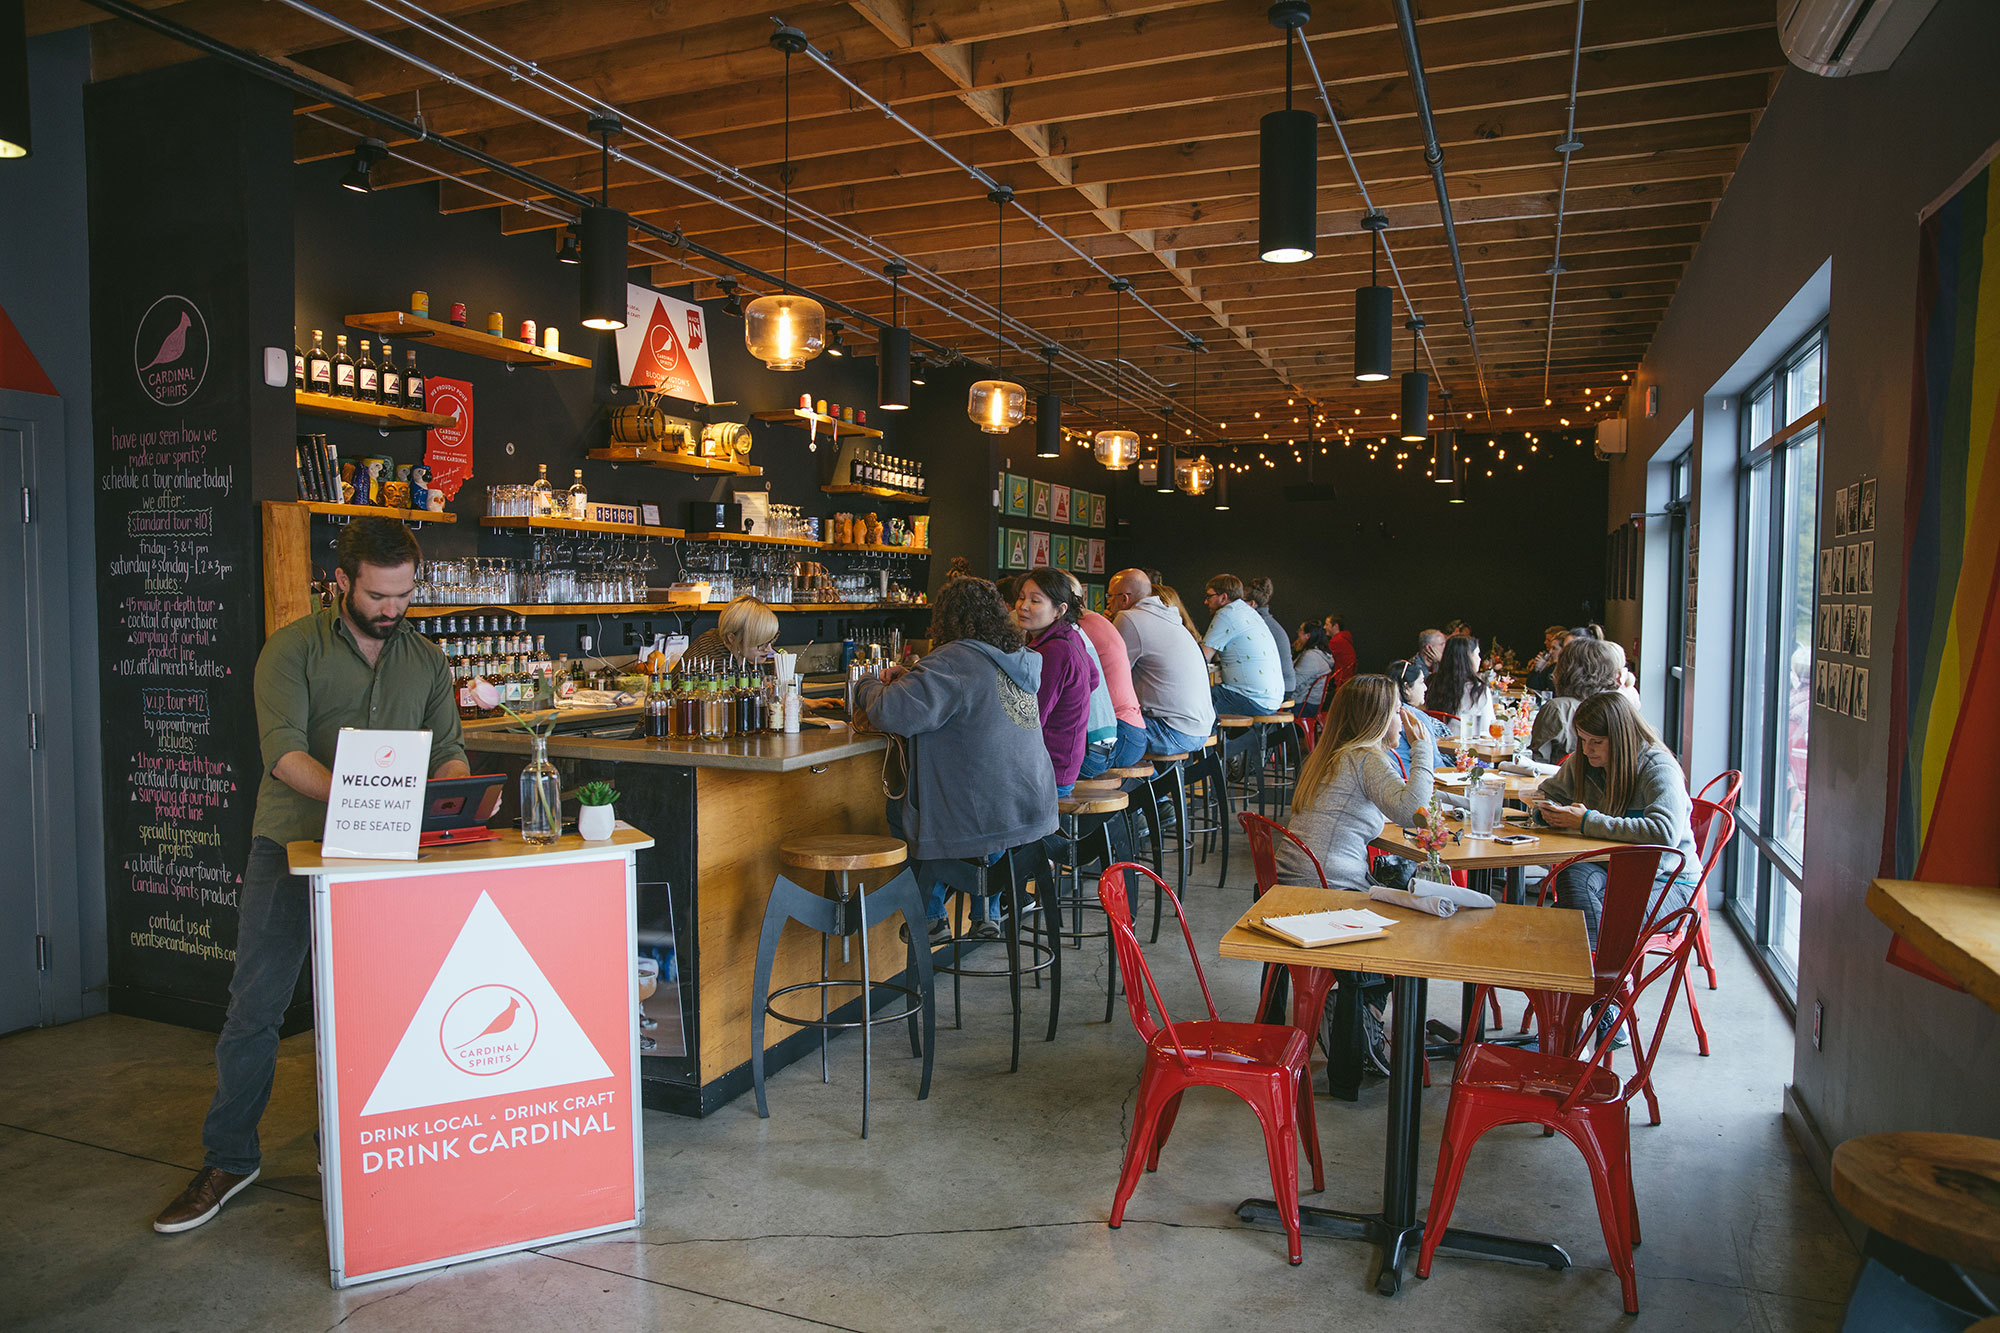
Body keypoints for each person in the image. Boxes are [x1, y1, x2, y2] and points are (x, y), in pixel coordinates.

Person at [155, 519, 470, 1234]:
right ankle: (229, 1157)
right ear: (342, 583)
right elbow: (284, 755)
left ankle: (360, 1150)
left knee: (384, 1013)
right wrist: (372, 799)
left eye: (404, 595)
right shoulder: (290, 649)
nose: (392, 609)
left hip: (391, 857)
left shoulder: (425, 659)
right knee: (255, 1009)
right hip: (293, 845)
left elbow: (449, 750)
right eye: (379, 595)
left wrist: (444, 791)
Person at [856, 577, 1056, 944]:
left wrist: (865, 684)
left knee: (904, 808)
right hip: (1032, 806)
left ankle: (931, 916)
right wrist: (915, 678)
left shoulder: (953, 660)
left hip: (989, 814)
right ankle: (987, 911)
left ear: (945, 621)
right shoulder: (1018, 657)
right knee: (977, 792)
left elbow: (891, 712)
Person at [1277, 676, 1437, 1075]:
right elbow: (1412, 810)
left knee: (1396, 897)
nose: (1403, 716)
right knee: (1417, 931)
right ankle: (1360, 1013)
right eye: (1398, 708)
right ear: (1381, 718)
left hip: (1290, 885)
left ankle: (1357, 1008)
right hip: (1327, 892)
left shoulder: (1332, 754)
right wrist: (1423, 749)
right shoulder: (1366, 757)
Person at [1535, 690, 1698, 951]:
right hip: (1613, 870)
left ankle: (1600, 980)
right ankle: (1600, 979)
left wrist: (1587, 821)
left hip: (1669, 883)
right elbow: (1548, 794)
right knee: (1571, 880)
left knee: (1567, 917)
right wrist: (1546, 812)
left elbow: (1664, 832)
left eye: (1596, 742)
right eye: (1582, 739)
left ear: (1622, 739)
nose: (1587, 750)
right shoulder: (1585, 761)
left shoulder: (1658, 768)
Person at [1107, 568, 1215, 755]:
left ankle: (1143, 781)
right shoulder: (1169, 617)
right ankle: (1155, 780)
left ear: (1124, 599)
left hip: (1172, 730)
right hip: (1200, 730)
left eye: (1110, 596)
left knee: (1095, 735)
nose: (1107, 601)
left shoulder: (1129, 618)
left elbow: (1110, 678)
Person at [1013, 568, 1101, 797]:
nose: (1022, 606)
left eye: (1035, 601)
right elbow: (1094, 679)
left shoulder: (1054, 650)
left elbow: (1031, 718)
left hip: (1049, 771)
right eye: (1021, 597)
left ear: (1059, 610)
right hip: (1065, 764)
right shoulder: (1069, 636)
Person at [1077, 582, 1150, 774]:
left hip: (1121, 731)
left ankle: (1151, 797)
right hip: (1135, 730)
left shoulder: (1078, 631)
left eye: (1035, 600)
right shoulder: (1098, 622)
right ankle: (1156, 797)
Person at [1530, 636, 1624, 764]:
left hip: (1562, 781)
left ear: (1564, 669)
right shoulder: (1617, 705)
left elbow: (1538, 763)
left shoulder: (1557, 708)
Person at [1200, 574, 1283, 716]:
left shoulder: (1226, 614)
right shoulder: (1249, 612)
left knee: (1191, 700)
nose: (1205, 602)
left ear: (1223, 597)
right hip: (1271, 699)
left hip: (1251, 698)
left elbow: (1201, 658)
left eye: (1209, 596)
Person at [1385, 659, 1451, 774]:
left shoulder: (1382, 711)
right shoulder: (1414, 716)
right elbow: (1435, 764)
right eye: (1421, 682)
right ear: (1406, 687)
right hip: (1413, 778)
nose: (1425, 688)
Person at [1425, 634, 1492, 737]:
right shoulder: (1478, 690)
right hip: (1465, 749)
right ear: (1468, 657)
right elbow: (1488, 730)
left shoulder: (1431, 683)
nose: (1479, 659)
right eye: (1477, 654)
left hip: (1435, 746)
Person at [1242, 577, 1296, 700]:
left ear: (1251, 604)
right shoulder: (1267, 622)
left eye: (1241, 601)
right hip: (1286, 685)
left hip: (1281, 687)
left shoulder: (1258, 625)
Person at [690, 594, 780, 662]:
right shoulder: (719, 666)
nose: (769, 650)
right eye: (760, 644)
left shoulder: (720, 641)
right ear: (732, 638)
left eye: (770, 641)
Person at [1293, 625, 1335, 718]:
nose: (1297, 633)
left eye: (1300, 630)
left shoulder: (1311, 657)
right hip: (1315, 703)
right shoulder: (1320, 653)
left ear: (1307, 636)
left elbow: (1293, 684)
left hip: (1305, 705)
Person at [1525, 624, 1567, 693]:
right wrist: (1537, 669)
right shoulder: (1550, 666)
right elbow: (1532, 688)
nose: (1550, 652)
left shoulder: (1572, 669)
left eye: (1554, 648)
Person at [1323, 612, 1356, 686]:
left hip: (1339, 682)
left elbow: (1323, 659)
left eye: (1327, 624)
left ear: (1335, 626)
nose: (1324, 627)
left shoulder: (1336, 641)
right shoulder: (1344, 639)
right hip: (1347, 680)